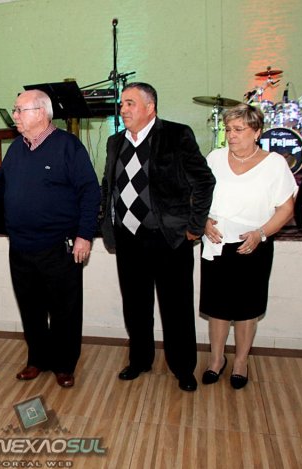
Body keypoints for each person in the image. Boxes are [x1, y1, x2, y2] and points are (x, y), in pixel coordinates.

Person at [0, 89, 100, 388]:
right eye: (15, 110)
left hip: (59, 246)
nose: (14, 116)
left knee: (64, 310)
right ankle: (37, 359)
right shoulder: (15, 150)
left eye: (20, 110)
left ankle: (64, 364)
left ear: (41, 113)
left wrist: (84, 235)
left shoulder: (68, 146)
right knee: (30, 309)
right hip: (20, 247)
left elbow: (90, 191)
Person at [100, 82, 215, 392]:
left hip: (168, 238)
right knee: (135, 306)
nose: (123, 109)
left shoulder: (177, 135)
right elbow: (108, 184)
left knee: (176, 308)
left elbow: (204, 181)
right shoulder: (115, 141)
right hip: (128, 239)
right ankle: (140, 360)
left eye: (130, 103)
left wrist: (195, 226)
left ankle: (183, 368)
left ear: (150, 107)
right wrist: (107, 223)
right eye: (122, 104)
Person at [200, 103, 297, 389]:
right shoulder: (215, 158)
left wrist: (260, 233)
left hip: (253, 245)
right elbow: (198, 196)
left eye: (239, 129)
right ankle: (216, 360)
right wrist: (204, 221)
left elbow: (286, 209)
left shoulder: (274, 164)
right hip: (217, 244)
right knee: (217, 308)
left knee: (247, 308)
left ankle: (241, 361)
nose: (231, 135)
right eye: (228, 129)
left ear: (256, 132)